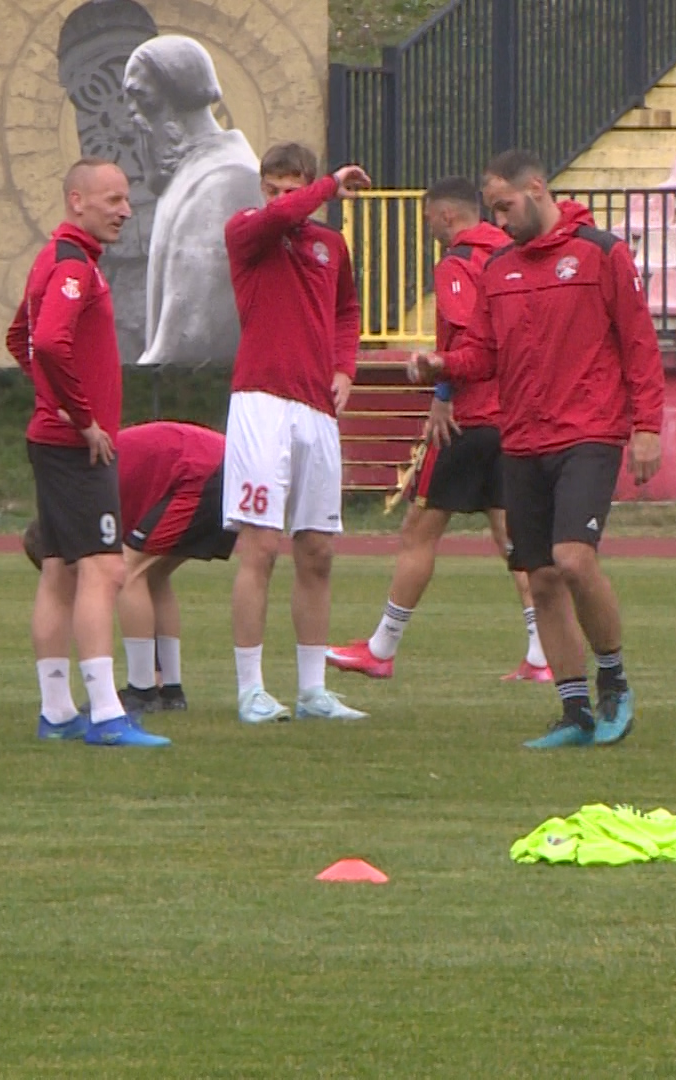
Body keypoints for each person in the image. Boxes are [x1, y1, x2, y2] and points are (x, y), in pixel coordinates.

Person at [422, 149, 665, 749]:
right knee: (542, 577)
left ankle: (614, 682)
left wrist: (648, 426)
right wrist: (443, 365)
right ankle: (574, 711)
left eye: (506, 207)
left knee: (574, 559)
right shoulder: (499, 268)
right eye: (493, 210)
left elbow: (639, 342)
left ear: (536, 188)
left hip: (589, 432)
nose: (500, 222)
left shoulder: (602, 253)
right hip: (522, 437)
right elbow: (483, 354)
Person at [326, 176, 550, 683]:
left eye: (428, 217)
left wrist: (442, 389)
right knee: (513, 536)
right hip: (516, 417)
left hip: (469, 419)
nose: (428, 226)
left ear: (446, 216)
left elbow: (471, 336)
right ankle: (542, 654)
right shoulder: (512, 254)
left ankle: (381, 648)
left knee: (418, 532)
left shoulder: (458, 262)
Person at [6, 158, 169, 748]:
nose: (125, 210)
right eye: (113, 200)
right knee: (105, 569)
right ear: (77, 200)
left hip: (54, 440)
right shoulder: (73, 264)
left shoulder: (55, 257)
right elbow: (47, 342)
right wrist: (81, 417)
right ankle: (105, 714)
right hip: (74, 447)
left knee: (60, 571)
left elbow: (19, 338)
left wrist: (54, 403)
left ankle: (56, 712)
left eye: (126, 199)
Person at [222, 144, 369, 724]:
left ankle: (312, 691)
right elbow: (283, 218)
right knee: (260, 546)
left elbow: (346, 312)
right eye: (272, 189)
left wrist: (344, 368)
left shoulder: (330, 245)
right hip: (261, 402)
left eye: (292, 188)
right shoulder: (247, 231)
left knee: (318, 551)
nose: (281, 200)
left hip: (316, 410)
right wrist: (327, 186)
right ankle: (250, 689)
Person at [22, 420, 234, 713]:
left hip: (200, 472)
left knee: (128, 571)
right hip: (221, 467)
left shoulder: (80, 503)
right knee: (153, 576)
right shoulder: (85, 501)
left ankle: (142, 690)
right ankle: (169, 688)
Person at [121, 34, 263, 366]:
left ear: (158, 106)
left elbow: (194, 338)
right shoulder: (188, 173)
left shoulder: (225, 182)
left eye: (139, 104)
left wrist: (130, 391)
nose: (131, 131)